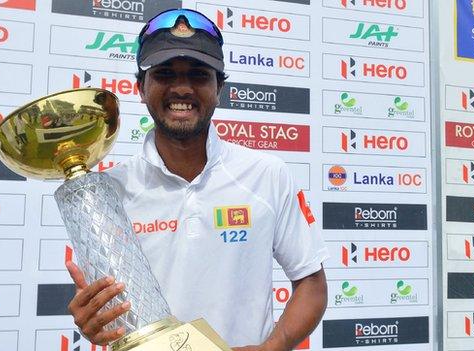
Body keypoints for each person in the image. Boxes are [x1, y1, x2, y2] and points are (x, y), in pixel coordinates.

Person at [65, 8, 328, 350]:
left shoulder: (266, 174)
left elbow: (311, 283)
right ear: (140, 88)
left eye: (198, 75)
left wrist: (273, 346)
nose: (182, 88)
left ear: (220, 87)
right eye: (164, 74)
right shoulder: (107, 192)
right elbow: (101, 304)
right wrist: (93, 321)